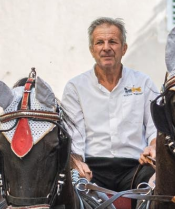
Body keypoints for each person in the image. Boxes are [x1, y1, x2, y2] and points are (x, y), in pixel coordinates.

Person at [61, 17, 157, 192]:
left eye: (113, 41)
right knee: (72, 192)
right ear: (92, 50)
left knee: (161, 185)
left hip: (136, 166)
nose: (106, 48)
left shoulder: (144, 83)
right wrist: (77, 163)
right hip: (92, 167)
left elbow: (155, 127)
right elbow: (74, 135)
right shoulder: (75, 87)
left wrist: (154, 147)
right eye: (100, 43)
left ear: (124, 48)